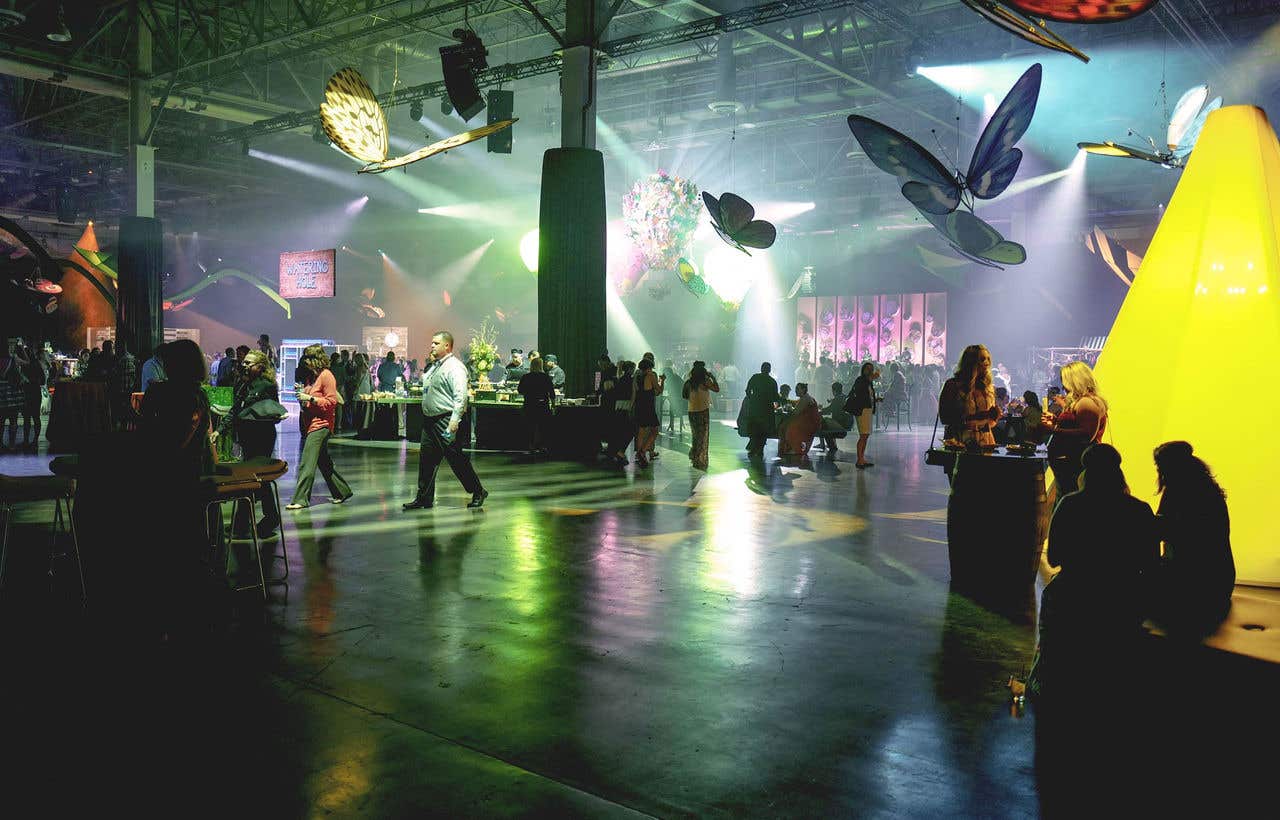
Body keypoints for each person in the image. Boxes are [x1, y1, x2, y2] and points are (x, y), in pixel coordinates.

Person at [1029, 443, 1158, 705]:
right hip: (1124, 599)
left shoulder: (1069, 505)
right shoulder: (1140, 510)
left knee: (1054, 593)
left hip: (1075, 594)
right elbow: (1151, 564)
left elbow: (1053, 560)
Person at [1149, 441, 1235, 637]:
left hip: (1198, 584)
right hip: (1220, 580)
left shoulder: (1180, 493)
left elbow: (1166, 531)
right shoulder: (1208, 491)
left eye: (1160, 466)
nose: (1159, 471)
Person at [404, 331, 487, 510]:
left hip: (446, 419)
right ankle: (424, 498)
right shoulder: (434, 366)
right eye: (432, 343)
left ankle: (478, 490)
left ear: (447, 346)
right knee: (426, 460)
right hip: (430, 421)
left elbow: (460, 396)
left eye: (435, 343)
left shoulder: (455, 367)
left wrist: (454, 421)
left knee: (456, 459)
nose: (431, 346)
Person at [220, 349, 283, 538]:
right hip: (247, 436)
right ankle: (263, 519)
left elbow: (274, 412)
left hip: (262, 437)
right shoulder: (242, 384)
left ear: (260, 366)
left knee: (255, 478)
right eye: (244, 363)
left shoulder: (266, 386)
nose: (244, 365)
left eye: (249, 363)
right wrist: (219, 430)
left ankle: (243, 523)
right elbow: (234, 410)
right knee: (255, 479)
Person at [286, 344, 353, 510]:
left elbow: (332, 402)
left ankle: (301, 499)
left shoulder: (326, 376)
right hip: (311, 423)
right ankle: (342, 491)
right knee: (324, 462)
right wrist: (302, 393)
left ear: (315, 360)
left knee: (307, 462)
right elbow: (308, 400)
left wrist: (310, 398)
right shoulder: (313, 377)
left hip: (320, 425)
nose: (305, 361)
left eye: (308, 358)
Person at [1045, 360, 1108, 497]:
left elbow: (1086, 435)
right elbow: (1076, 425)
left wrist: (1053, 430)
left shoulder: (1087, 402)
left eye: (1065, 381)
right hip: (1069, 463)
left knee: (1071, 500)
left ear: (1074, 381)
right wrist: (1056, 421)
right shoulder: (1082, 401)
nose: (1063, 387)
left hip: (1074, 464)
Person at [938, 344, 998, 450]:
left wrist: (994, 417)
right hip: (959, 443)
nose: (987, 363)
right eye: (982, 359)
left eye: (988, 359)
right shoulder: (953, 385)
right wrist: (976, 417)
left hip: (986, 443)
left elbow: (989, 423)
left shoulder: (988, 387)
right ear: (971, 362)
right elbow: (945, 418)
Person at [518, 354, 555, 456]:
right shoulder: (545, 377)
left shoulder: (526, 377)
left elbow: (520, 390)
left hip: (529, 405)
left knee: (530, 426)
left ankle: (531, 446)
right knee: (543, 427)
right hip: (542, 405)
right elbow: (552, 393)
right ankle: (542, 446)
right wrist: (554, 406)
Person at [683, 361, 718, 470]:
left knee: (695, 435)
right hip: (703, 411)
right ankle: (699, 459)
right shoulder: (705, 381)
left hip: (692, 411)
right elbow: (717, 389)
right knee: (703, 436)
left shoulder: (688, 382)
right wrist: (713, 377)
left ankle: (694, 456)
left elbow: (684, 396)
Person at [845, 362, 879, 468]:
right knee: (863, 435)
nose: (869, 371)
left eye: (871, 369)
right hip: (862, 410)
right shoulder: (861, 380)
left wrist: (875, 400)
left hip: (868, 410)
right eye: (867, 369)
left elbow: (868, 396)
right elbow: (860, 393)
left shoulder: (869, 382)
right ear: (863, 370)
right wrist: (870, 379)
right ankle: (859, 460)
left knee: (866, 435)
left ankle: (862, 458)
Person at [742, 362, 779, 457]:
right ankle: (760, 449)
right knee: (764, 430)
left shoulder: (755, 377)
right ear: (769, 370)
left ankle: (753, 447)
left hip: (755, 407)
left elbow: (747, 390)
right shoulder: (772, 381)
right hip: (766, 408)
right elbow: (775, 397)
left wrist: (752, 398)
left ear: (761, 368)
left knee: (754, 428)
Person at [632, 358, 663, 467]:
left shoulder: (636, 377)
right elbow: (659, 390)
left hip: (639, 406)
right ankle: (643, 451)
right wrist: (662, 380)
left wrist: (631, 407)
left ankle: (639, 453)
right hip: (648, 407)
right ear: (649, 368)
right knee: (655, 431)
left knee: (641, 432)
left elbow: (634, 393)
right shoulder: (651, 376)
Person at [605, 360, 637, 465]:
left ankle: (616, 451)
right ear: (629, 369)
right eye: (633, 368)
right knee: (630, 430)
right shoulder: (631, 380)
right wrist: (631, 406)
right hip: (626, 406)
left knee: (619, 430)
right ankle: (620, 451)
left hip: (618, 406)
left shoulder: (619, 379)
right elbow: (633, 394)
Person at [779, 383, 821, 458]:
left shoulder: (805, 398)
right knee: (787, 425)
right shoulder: (804, 398)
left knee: (790, 427)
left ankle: (795, 449)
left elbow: (796, 412)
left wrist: (789, 409)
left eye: (797, 389)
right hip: (808, 422)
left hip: (810, 423)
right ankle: (789, 448)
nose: (795, 391)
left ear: (803, 390)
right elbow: (795, 405)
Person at [817, 382, 851, 452]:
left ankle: (830, 445)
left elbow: (829, 410)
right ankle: (829, 444)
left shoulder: (837, 399)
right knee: (825, 422)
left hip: (840, 423)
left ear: (834, 390)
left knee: (822, 423)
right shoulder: (844, 397)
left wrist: (818, 411)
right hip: (846, 422)